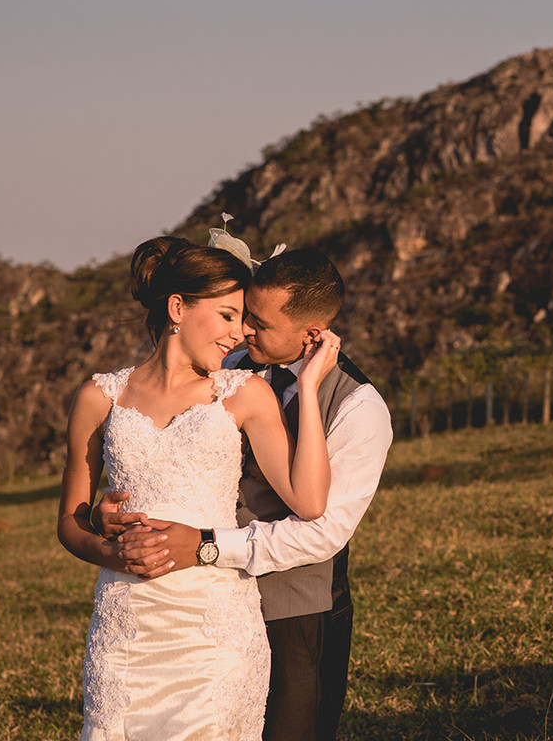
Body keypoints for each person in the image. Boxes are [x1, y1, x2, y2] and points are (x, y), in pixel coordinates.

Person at [95, 248, 393, 741]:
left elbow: (322, 533)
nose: (244, 330)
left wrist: (208, 546)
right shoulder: (227, 367)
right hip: (189, 607)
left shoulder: (359, 408)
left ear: (311, 335)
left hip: (295, 613)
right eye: (244, 313)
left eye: (261, 322)